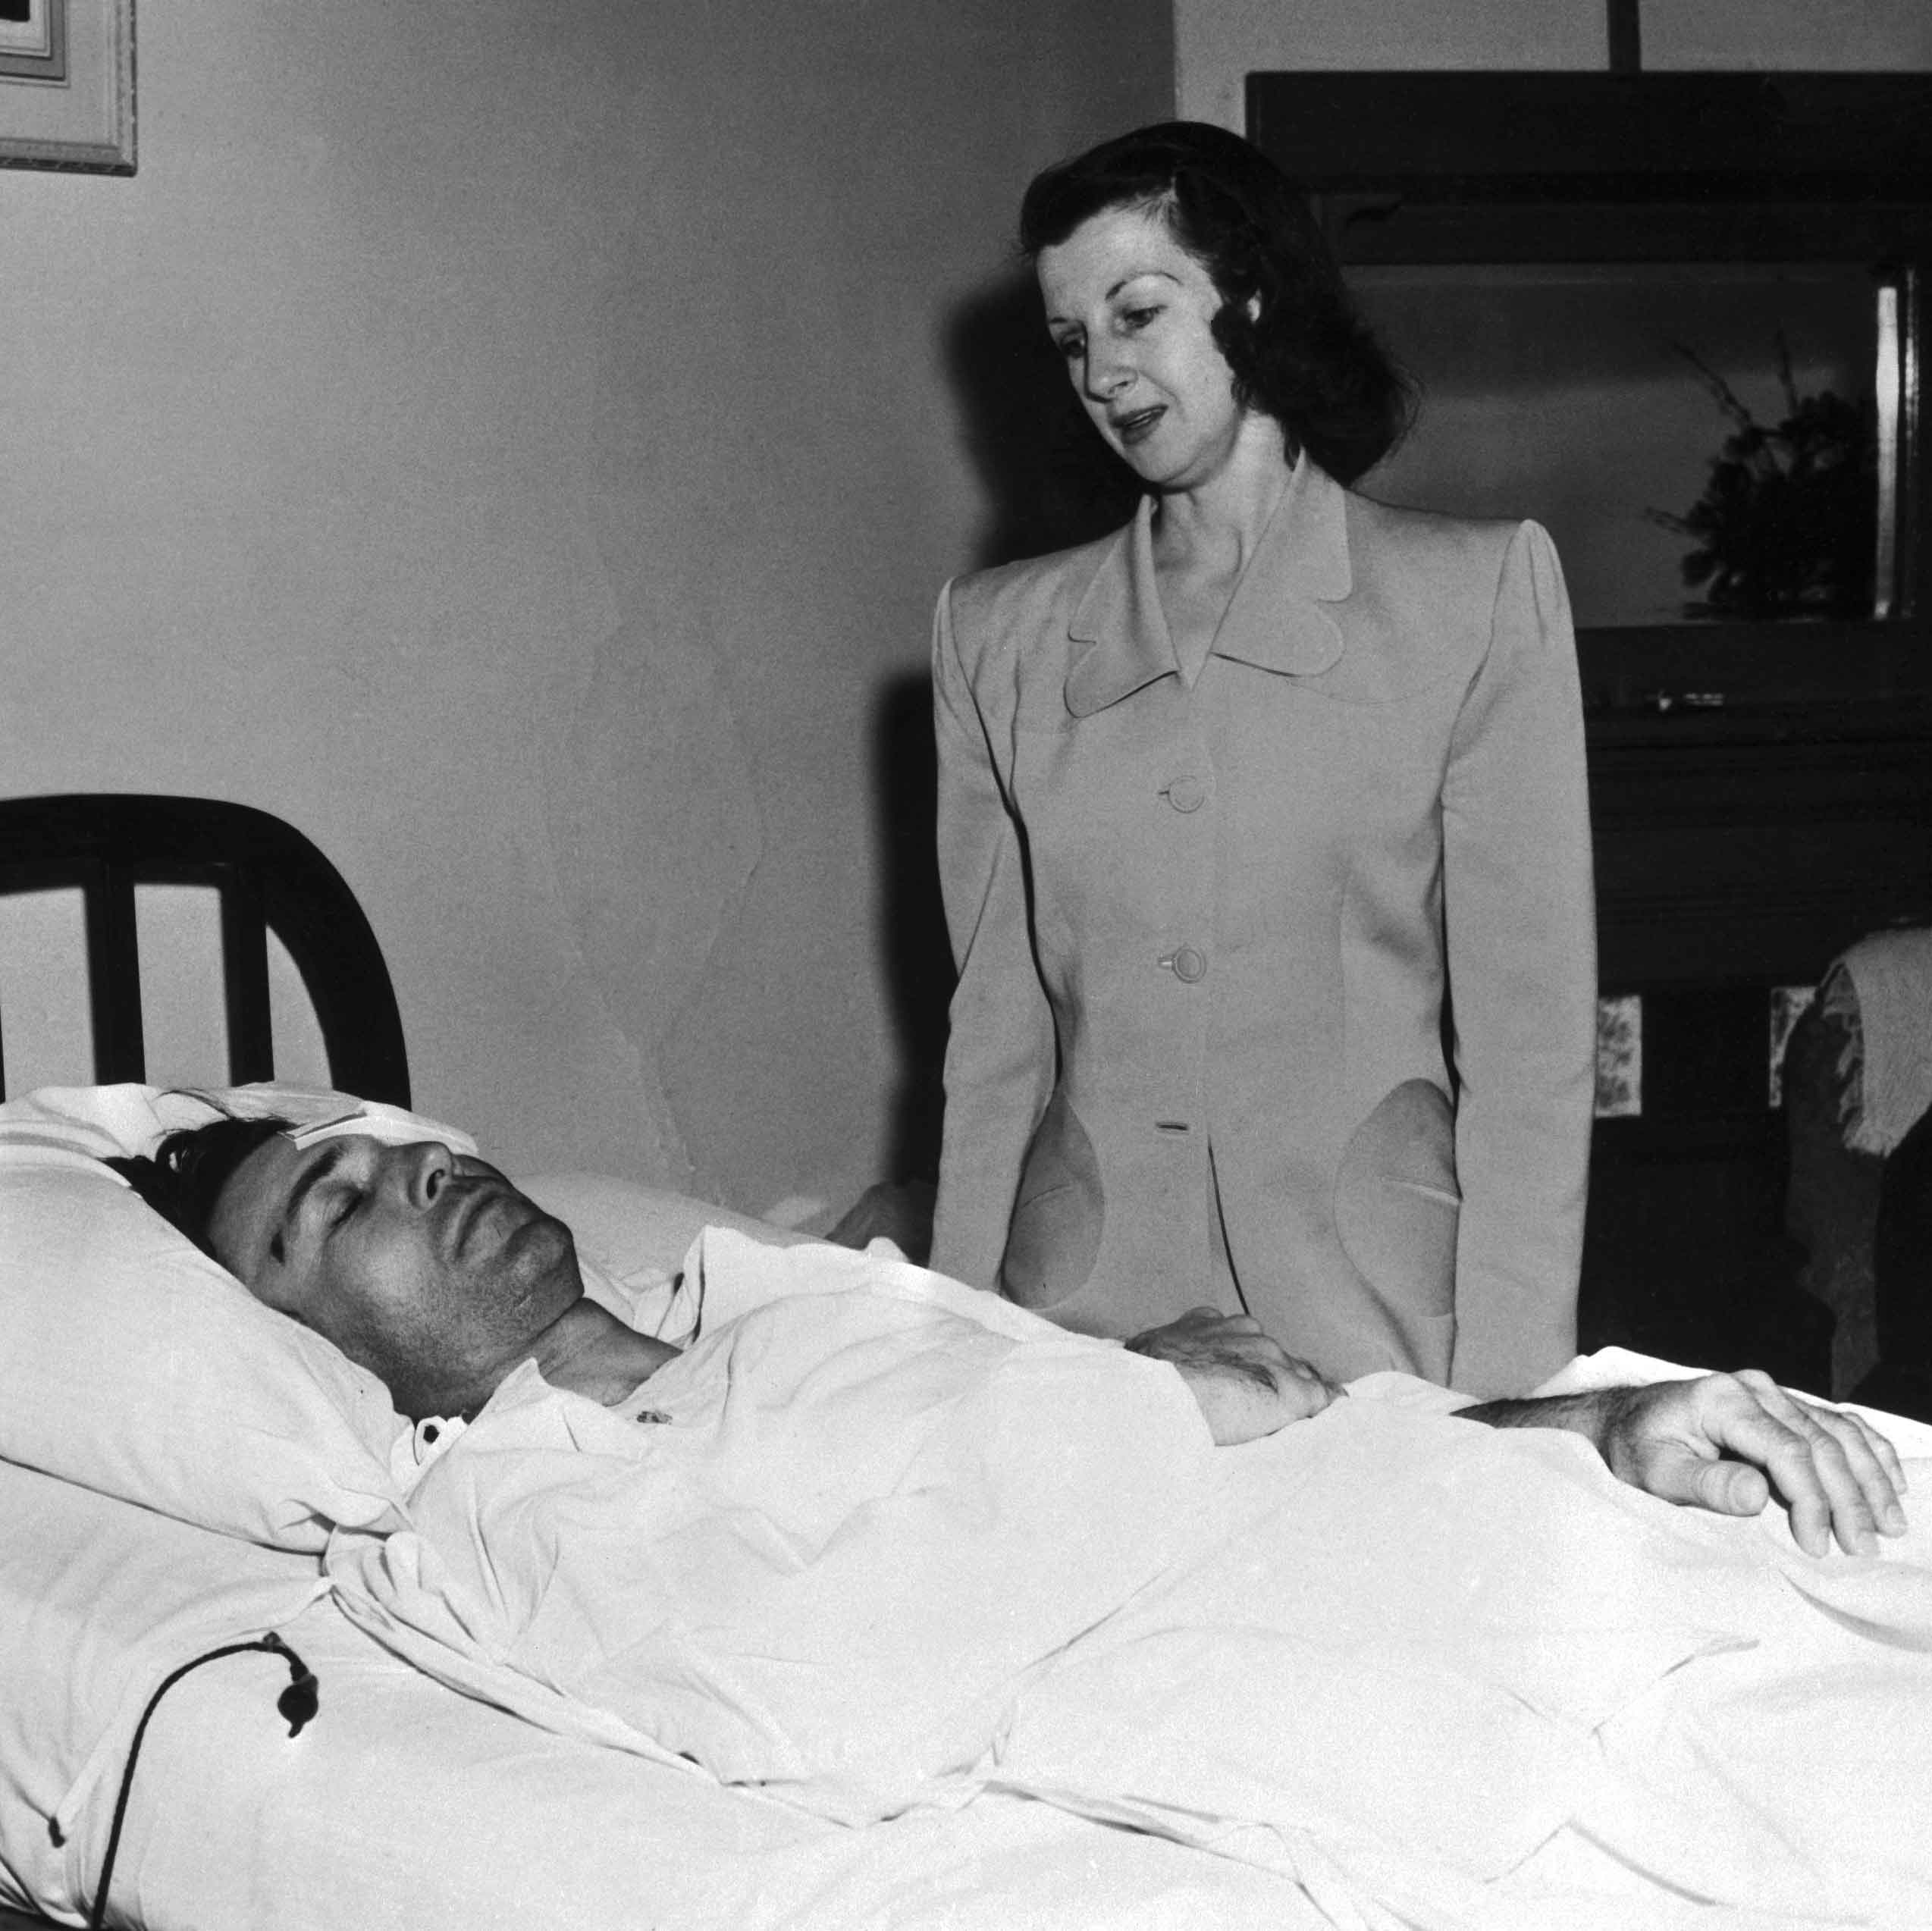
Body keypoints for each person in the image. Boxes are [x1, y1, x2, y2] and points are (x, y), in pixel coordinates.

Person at [929, 122, 1595, 1397]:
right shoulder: (993, 638)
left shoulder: (1475, 594)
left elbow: (1531, 1053)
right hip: (1087, 1330)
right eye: (1073, 340)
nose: (1103, 372)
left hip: (1384, 1327)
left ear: (1253, 294)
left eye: (1138, 313)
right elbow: (993, 1046)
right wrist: (959, 1363)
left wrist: (1516, 1403)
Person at [111, 1116, 1908, 1560]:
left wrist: (1588, 1430)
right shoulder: (516, 1536)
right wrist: (1152, 1410)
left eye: (409, 1152)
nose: (422, 1177)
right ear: (299, 1349)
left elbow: (1248, 1444)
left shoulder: (789, 1293)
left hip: (1401, 1524)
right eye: (334, 1209)